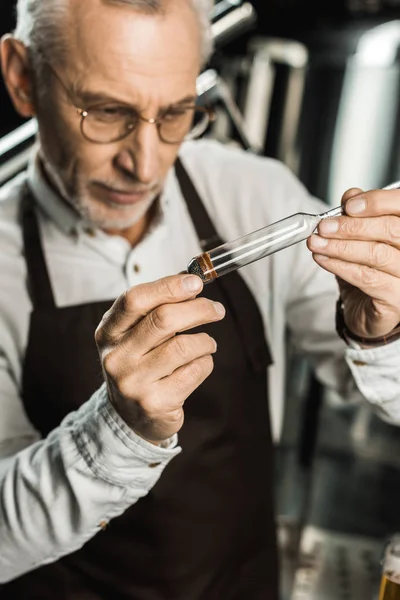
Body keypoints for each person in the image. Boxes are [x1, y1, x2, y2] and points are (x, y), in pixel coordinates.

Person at [1, 0, 400, 598]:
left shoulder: (251, 192)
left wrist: (381, 330)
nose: (144, 163)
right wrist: (118, 431)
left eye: (176, 113)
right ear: (22, 77)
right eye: (108, 112)